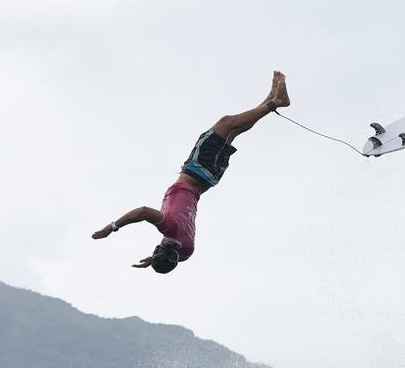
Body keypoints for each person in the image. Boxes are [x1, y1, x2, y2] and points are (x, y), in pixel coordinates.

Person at [92, 71, 291, 273]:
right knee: (226, 123)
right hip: (197, 170)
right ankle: (276, 103)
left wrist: (155, 259)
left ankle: (271, 97)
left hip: (211, 177)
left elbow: (174, 253)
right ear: (159, 246)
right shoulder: (168, 226)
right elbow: (143, 212)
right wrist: (112, 227)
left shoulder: (187, 250)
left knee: (233, 131)